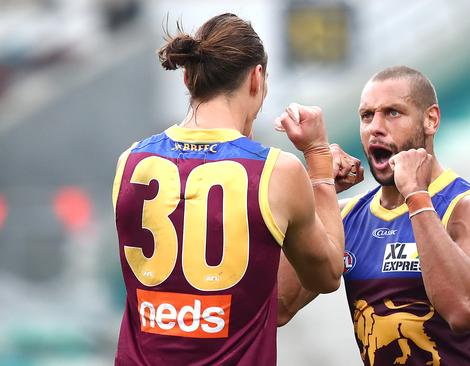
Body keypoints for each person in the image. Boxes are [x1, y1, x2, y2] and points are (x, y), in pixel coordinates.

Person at [111, 13, 345, 365]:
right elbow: (326, 275)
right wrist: (319, 160)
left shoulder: (129, 162)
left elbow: (271, 303)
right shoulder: (276, 171)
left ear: (187, 77)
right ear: (257, 77)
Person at [277, 66, 470, 365]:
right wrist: (320, 190)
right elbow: (278, 308)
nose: (375, 127)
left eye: (392, 113)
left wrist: (416, 196)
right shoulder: (347, 215)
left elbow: (464, 310)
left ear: (431, 120)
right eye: (367, 116)